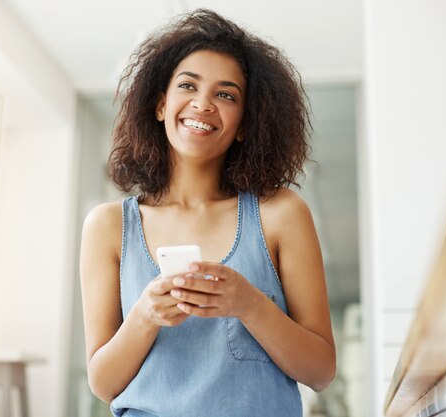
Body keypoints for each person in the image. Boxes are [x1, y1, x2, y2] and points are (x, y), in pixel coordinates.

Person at [79, 9, 336, 417]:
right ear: (161, 104)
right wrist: (145, 316)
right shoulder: (109, 226)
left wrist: (249, 304)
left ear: (246, 123)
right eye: (188, 85)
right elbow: (104, 384)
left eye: (226, 94)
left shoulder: (281, 214)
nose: (203, 104)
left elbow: (321, 372)